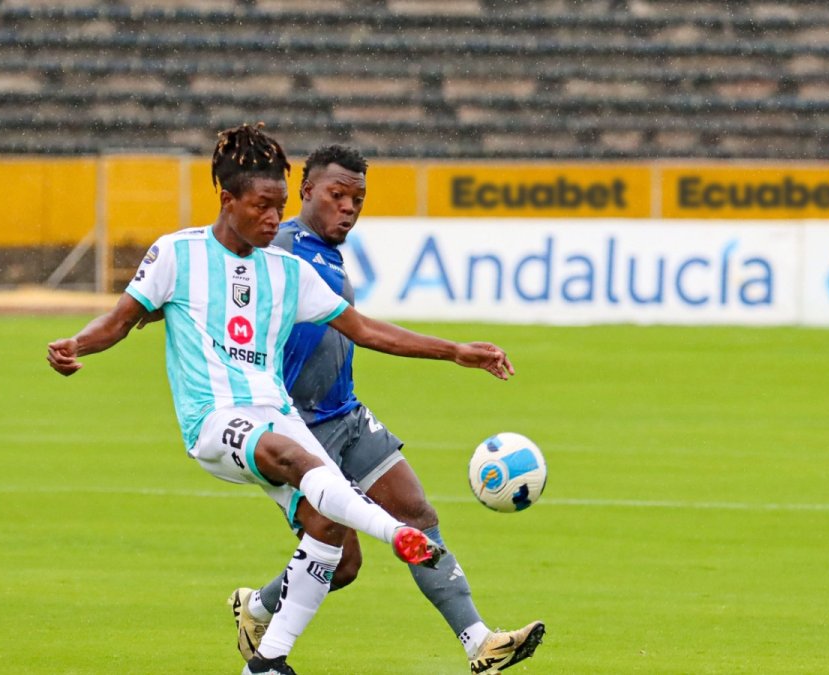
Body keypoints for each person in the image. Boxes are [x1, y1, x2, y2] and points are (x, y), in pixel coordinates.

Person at [47, 124, 514, 675]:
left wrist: (454, 351)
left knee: (330, 529)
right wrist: (79, 343)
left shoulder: (289, 271)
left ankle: (267, 660)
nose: (273, 218)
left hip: (280, 412)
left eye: (278, 206)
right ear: (228, 199)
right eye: (262, 206)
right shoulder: (178, 252)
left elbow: (365, 330)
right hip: (215, 419)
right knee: (297, 462)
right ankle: (398, 534)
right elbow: (124, 319)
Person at [226, 145, 544, 675]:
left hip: (344, 414)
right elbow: (365, 331)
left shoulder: (328, 253)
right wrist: (455, 352)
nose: (348, 208)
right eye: (337, 195)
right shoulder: (277, 250)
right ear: (305, 192)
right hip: (294, 429)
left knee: (417, 513)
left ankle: (479, 642)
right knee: (343, 564)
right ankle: (257, 607)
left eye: (358, 198)